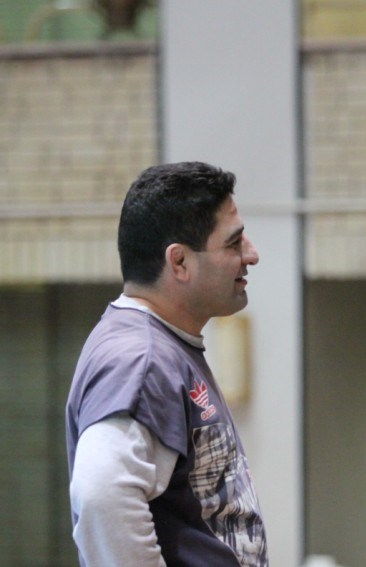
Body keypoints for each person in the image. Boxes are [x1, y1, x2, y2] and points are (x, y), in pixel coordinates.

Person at [65, 162, 267, 566]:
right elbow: (101, 496)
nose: (252, 255)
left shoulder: (164, 348)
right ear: (179, 262)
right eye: (233, 243)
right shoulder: (140, 360)